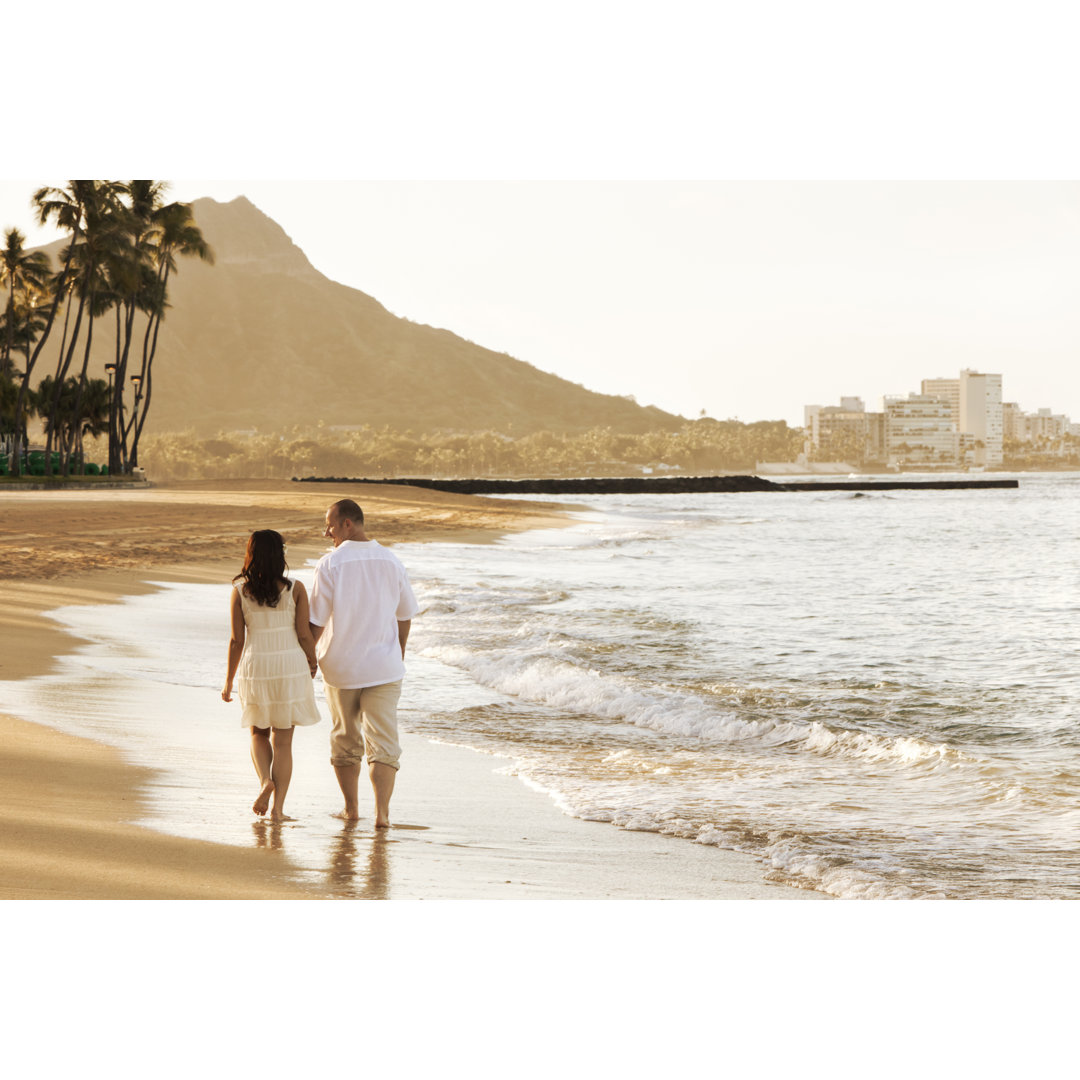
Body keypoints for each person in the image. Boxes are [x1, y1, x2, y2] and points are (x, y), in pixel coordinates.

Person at [308, 498, 420, 827]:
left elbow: (316, 620)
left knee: (345, 737)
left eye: (329, 524)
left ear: (348, 523)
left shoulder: (330, 564)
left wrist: (307, 659)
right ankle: (382, 814)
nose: (326, 531)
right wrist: (398, 651)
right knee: (384, 741)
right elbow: (405, 615)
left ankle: (351, 809)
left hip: (341, 667)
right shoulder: (391, 560)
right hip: (384, 667)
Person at [222, 529, 320, 822]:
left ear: (250, 554)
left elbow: (236, 640)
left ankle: (265, 780)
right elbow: (304, 634)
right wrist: (313, 662)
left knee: (258, 732)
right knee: (284, 741)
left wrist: (228, 681)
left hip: (257, 667)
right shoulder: (296, 589)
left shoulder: (240, 591)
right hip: (289, 665)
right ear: (281, 554)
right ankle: (278, 810)